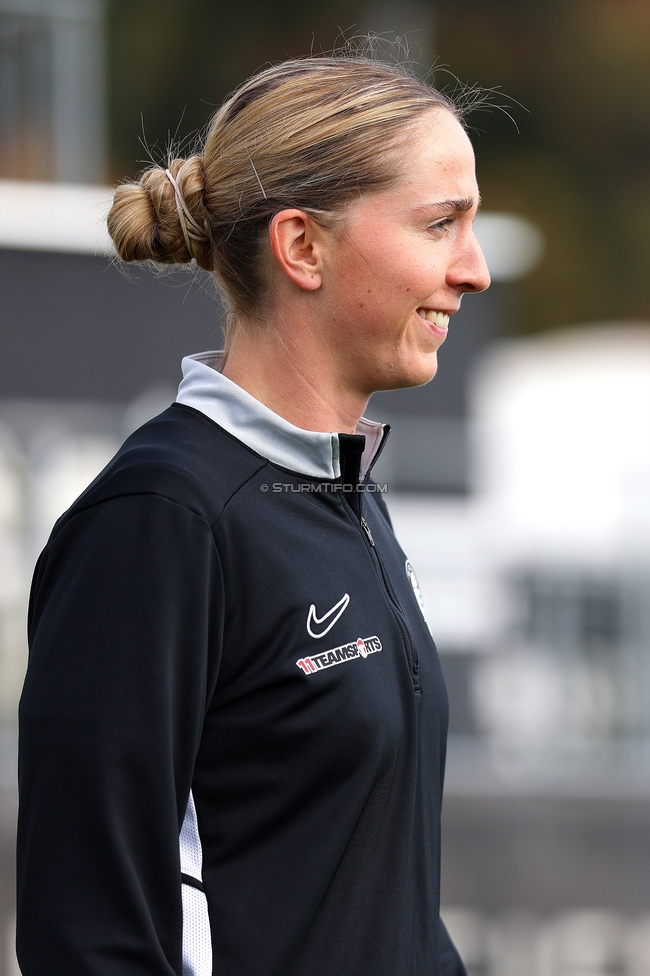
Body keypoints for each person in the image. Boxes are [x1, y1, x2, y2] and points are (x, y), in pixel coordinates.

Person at [17, 51, 490, 976]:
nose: (471, 270)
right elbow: (90, 936)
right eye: (441, 225)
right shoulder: (161, 519)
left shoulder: (341, 499)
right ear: (302, 247)